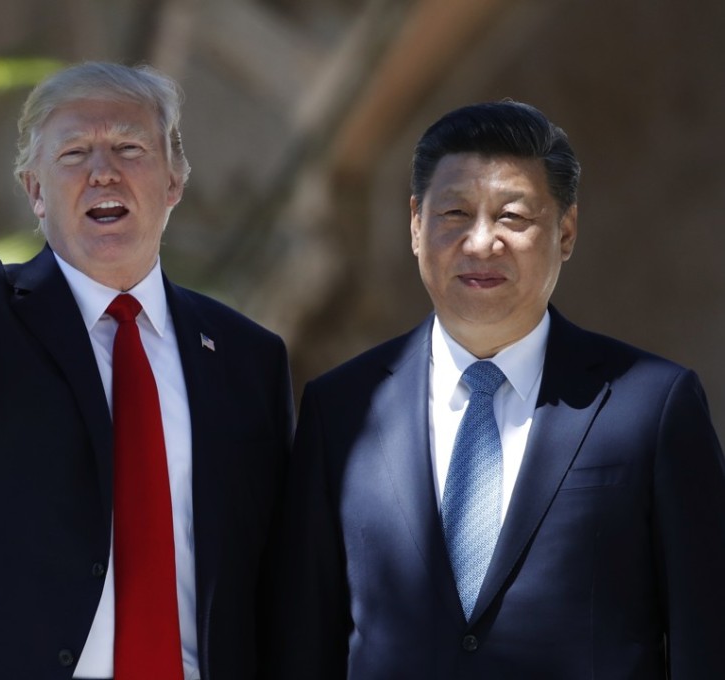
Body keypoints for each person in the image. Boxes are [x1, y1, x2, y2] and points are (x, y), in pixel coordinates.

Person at [0, 20, 293, 680]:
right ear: (35, 192)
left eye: (129, 147)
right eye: (73, 154)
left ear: (174, 181)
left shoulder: (246, 358)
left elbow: (271, 574)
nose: (103, 171)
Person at [266, 100, 725, 678]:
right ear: (416, 225)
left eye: (513, 217)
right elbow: (303, 646)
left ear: (566, 231)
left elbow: (707, 639)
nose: (481, 243)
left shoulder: (651, 405)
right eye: (455, 213)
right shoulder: (341, 409)